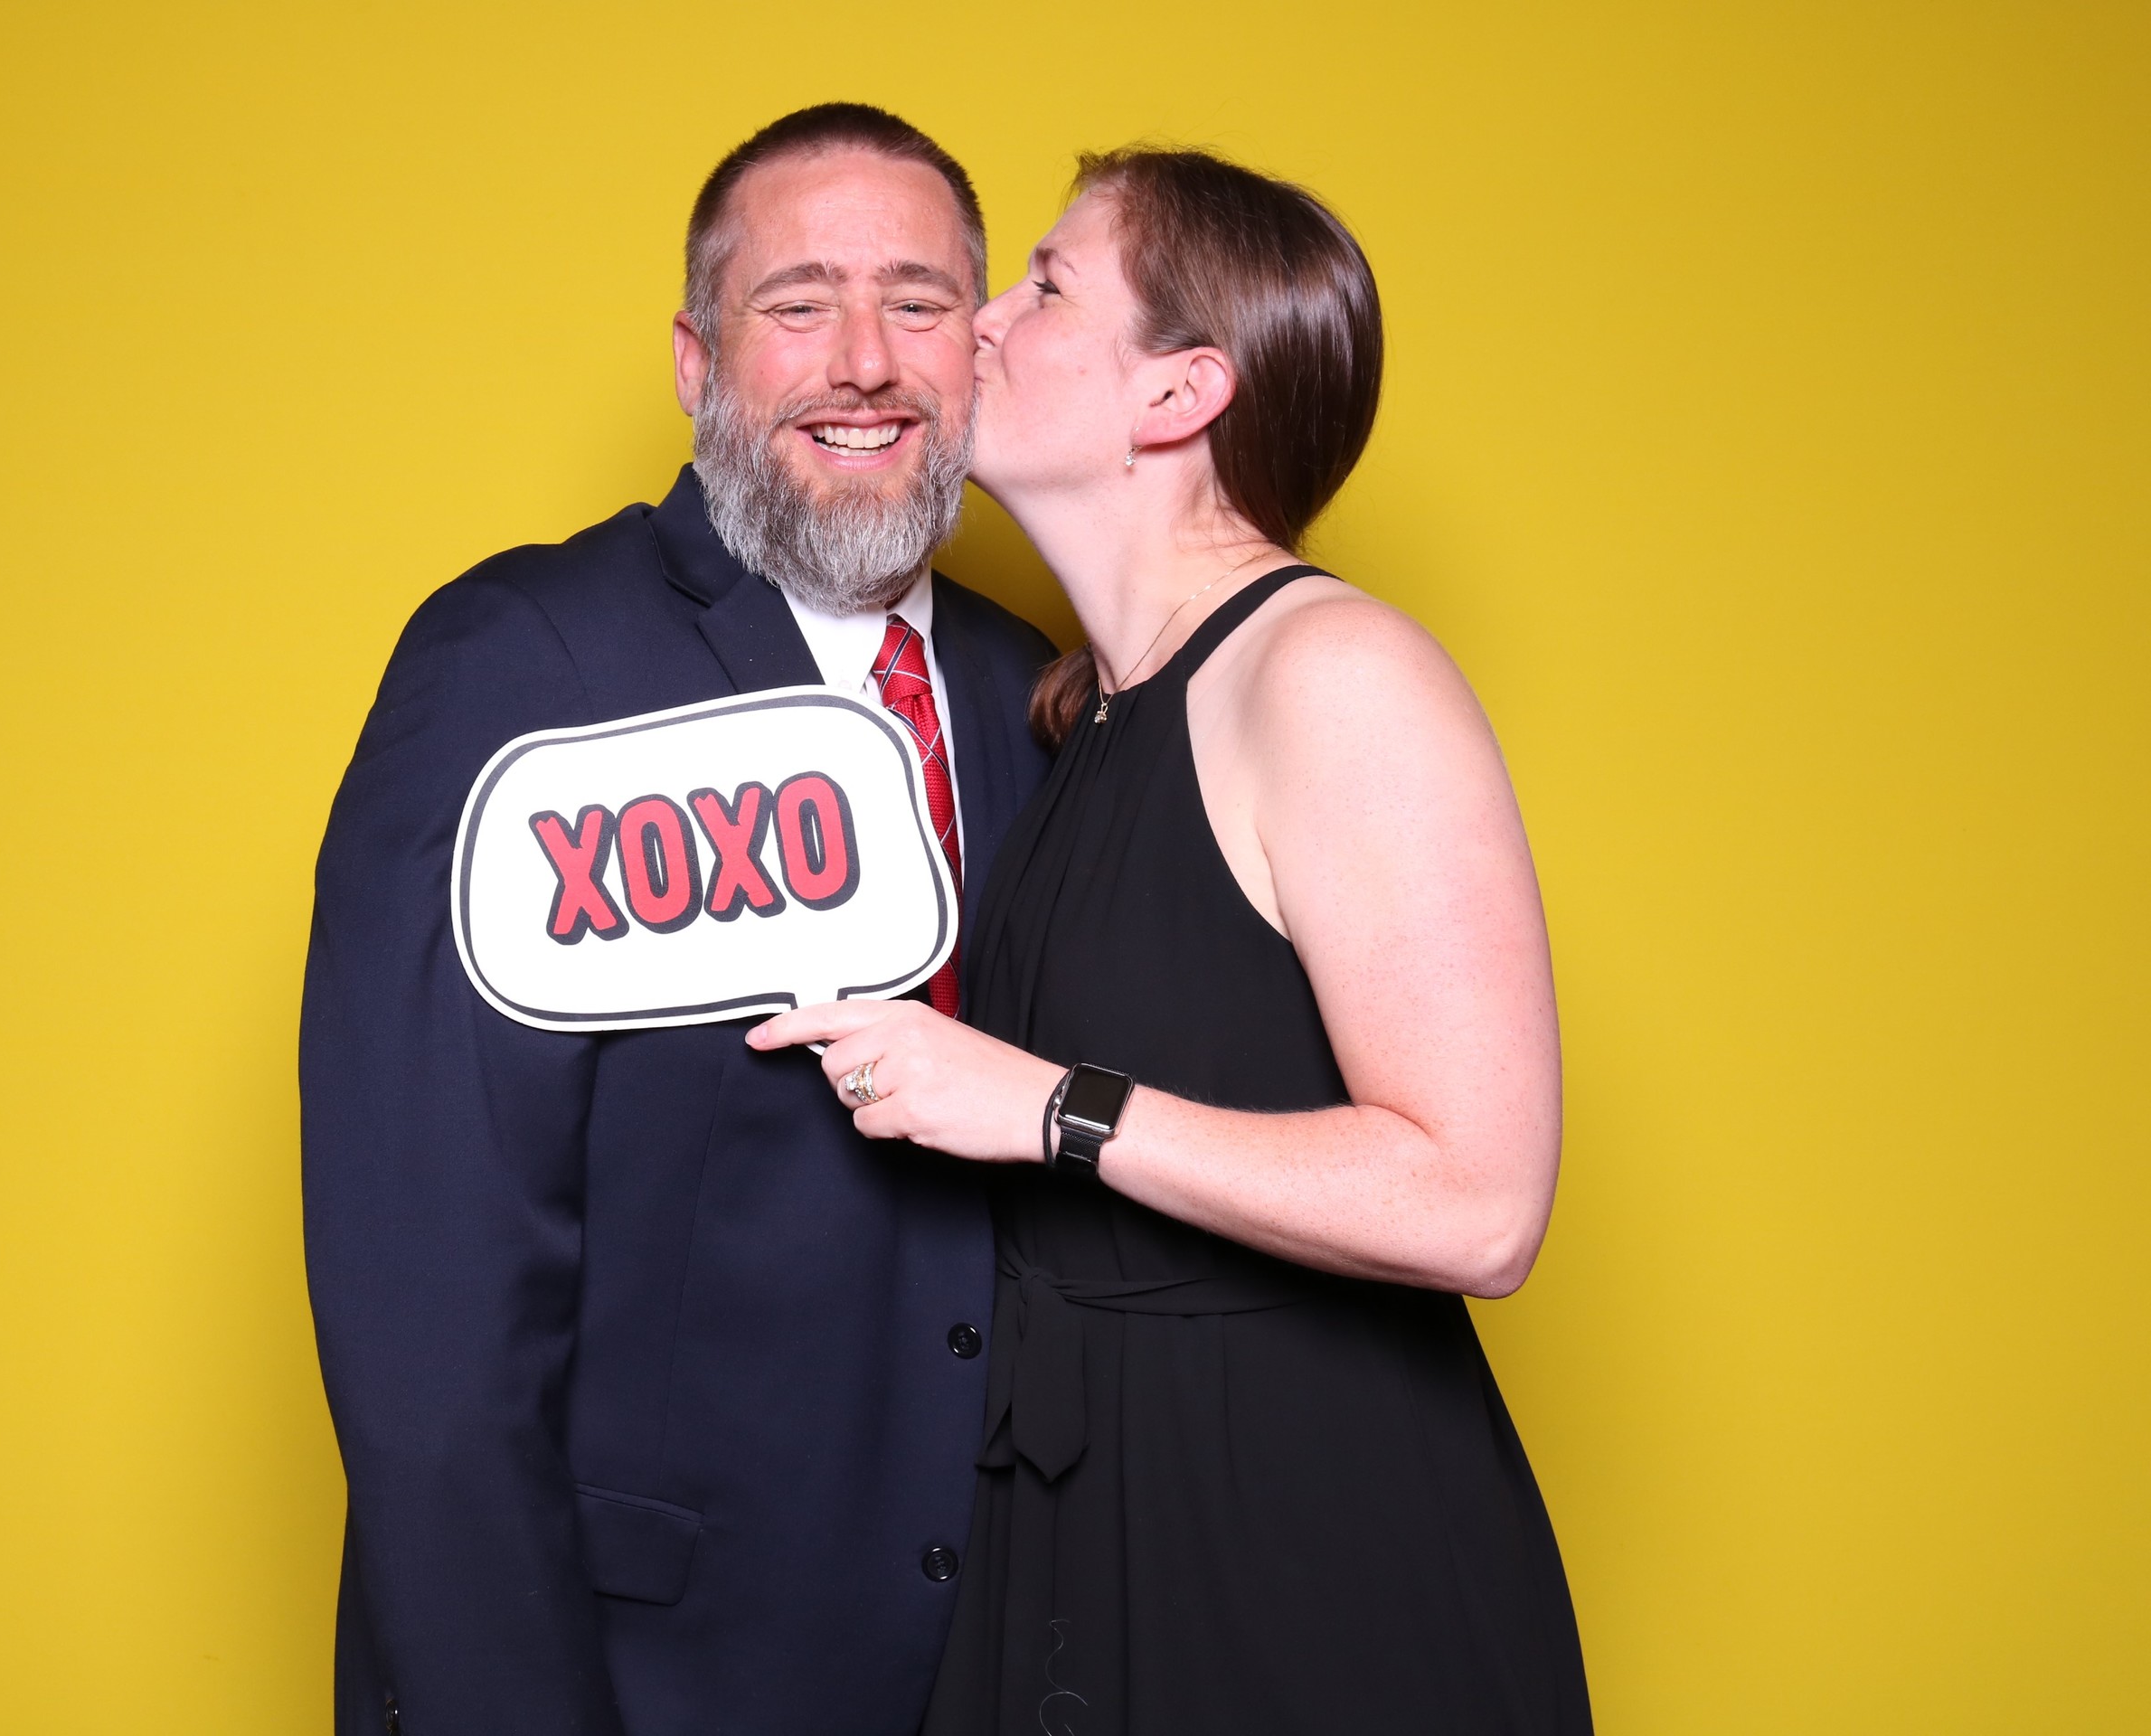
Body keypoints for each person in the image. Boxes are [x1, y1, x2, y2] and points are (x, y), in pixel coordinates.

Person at [750, 149, 1593, 1731]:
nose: (979, 321)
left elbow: (1481, 1204)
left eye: (1048, 286)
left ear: (1180, 392)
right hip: (1079, 1525)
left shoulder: (1333, 675)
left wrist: (1047, 1108)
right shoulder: (1083, 715)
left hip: (1303, 1554)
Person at [298, 104, 1057, 1735]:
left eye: (919, 303)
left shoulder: (1038, 693)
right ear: (698, 363)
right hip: (638, 1674)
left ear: (981, 353)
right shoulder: (525, 665)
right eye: (800, 304)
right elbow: (428, 1312)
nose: (867, 362)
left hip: (994, 1662)